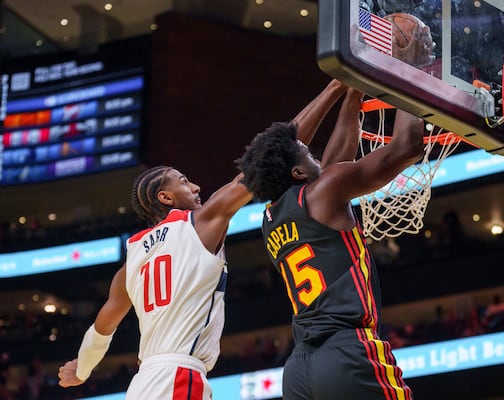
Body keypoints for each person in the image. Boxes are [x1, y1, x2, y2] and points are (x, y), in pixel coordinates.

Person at [56, 79, 350, 399]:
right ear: (166, 197)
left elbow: (102, 330)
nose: (195, 187)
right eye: (184, 181)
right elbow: (273, 156)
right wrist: (336, 87)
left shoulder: (132, 261)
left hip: (142, 385)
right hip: (178, 378)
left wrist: (81, 370)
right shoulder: (199, 224)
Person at [237, 85, 424, 399]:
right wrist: (411, 75)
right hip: (347, 351)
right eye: (309, 155)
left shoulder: (270, 220)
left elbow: (335, 165)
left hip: (299, 369)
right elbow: (406, 147)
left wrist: (353, 96)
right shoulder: (324, 191)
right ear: (297, 171)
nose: (318, 159)